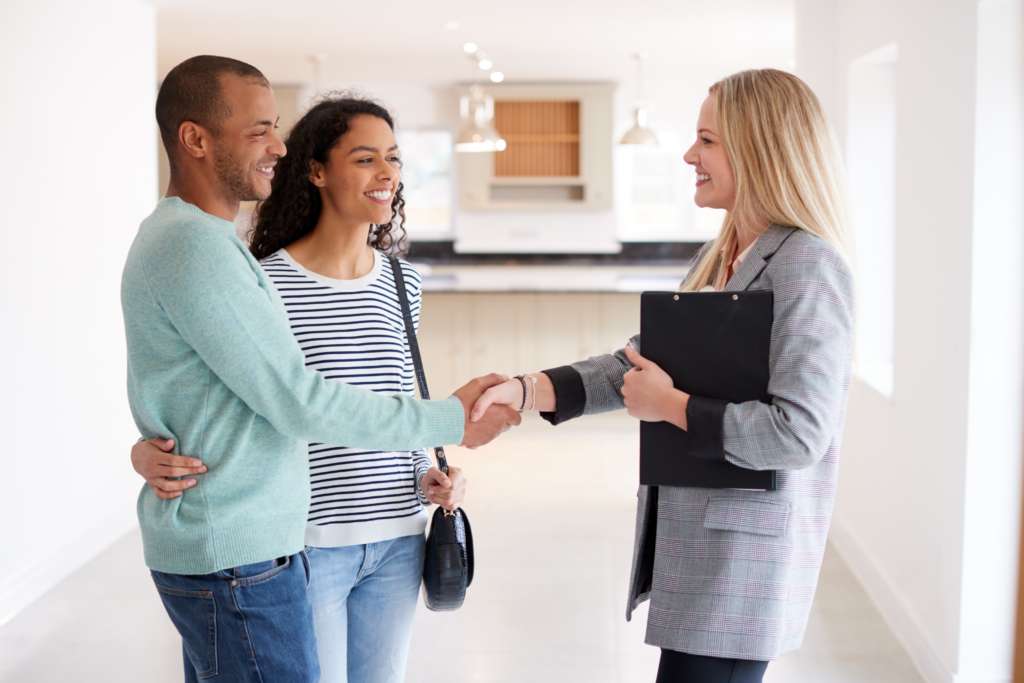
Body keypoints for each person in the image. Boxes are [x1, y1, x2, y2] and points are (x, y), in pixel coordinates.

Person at [123, 56, 518, 683]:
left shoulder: (391, 279)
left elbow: (376, 388)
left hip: (386, 530)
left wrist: (431, 464)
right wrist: (451, 415)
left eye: (394, 158)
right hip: (293, 540)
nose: (276, 145)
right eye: (259, 130)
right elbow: (292, 397)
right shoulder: (221, 256)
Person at [472, 68, 856, 683]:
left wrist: (673, 406)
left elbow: (799, 435)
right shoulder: (725, 254)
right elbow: (639, 364)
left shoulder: (807, 264)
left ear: (758, 146)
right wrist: (527, 389)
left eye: (707, 140)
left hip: (742, 560)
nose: (688, 155)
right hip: (701, 547)